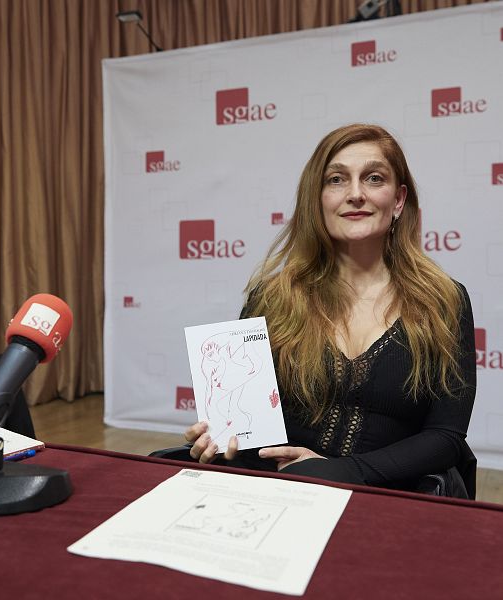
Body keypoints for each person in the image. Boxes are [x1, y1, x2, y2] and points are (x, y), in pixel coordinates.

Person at [185, 123, 476, 493]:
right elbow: (248, 428)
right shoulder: (272, 297)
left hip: (390, 498)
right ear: (317, 198)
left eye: (373, 178)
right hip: (280, 491)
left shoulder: (445, 301)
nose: (355, 194)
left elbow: (446, 437)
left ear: (398, 200)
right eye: (336, 180)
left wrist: (344, 471)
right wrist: (222, 442)